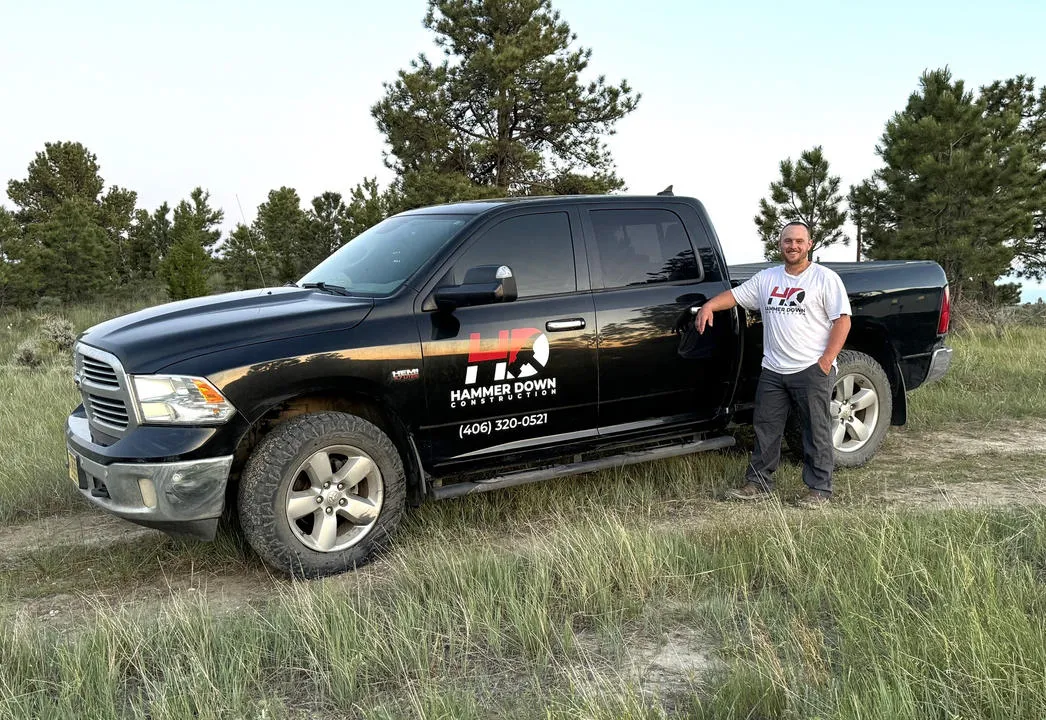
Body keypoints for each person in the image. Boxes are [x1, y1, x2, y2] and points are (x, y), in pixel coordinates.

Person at [694, 221, 851, 507]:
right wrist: (708, 306)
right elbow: (735, 296)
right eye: (788, 241)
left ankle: (819, 490)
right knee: (765, 428)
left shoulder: (825, 279)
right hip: (774, 370)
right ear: (780, 244)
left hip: (811, 369)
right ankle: (758, 484)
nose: (793, 246)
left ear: (810, 244)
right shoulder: (767, 278)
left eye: (799, 241)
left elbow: (842, 320)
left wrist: (825, 362)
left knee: (815, 431)